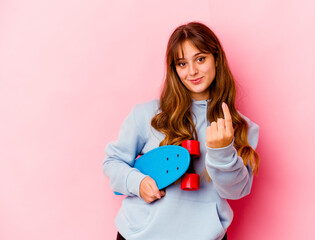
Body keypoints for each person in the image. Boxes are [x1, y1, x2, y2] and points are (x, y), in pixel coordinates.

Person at [103, 21, 260, 240]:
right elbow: (112, 162)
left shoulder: (242, 127)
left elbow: (235, 191)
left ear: (217, 59)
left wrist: (222, 149)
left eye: (200, 59)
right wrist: (137, 183)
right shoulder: (147, 114)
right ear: (174, 69)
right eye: (182, 63)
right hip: (141, 235)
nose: (192, 71)